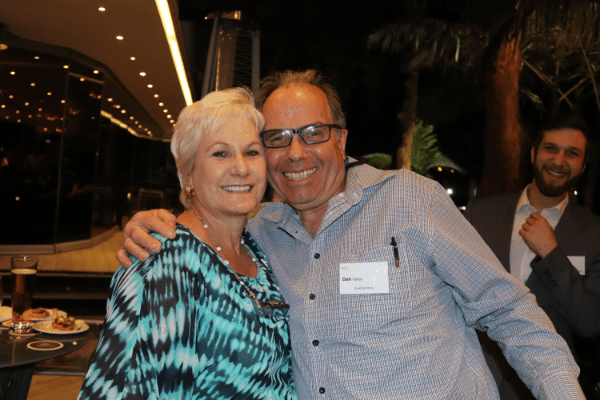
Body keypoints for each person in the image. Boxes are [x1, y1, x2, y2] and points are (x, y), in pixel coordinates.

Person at [119, 70, 585, 399]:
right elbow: (206, 224)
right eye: (277, 138)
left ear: (341, 140)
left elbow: (509, 310)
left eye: (313, 133)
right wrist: (154, 224)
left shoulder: (410, 199)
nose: (295, 153)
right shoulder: (260, 233)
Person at [78, 87, 296, 399]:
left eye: (252, 152)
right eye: (220, 153)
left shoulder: (257, 247)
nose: (241, 168)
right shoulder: (163, 260)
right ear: (188, 174)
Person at [464, 114, 600, 399]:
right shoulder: (481, 214)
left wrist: (551, 253)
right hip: (474, 379)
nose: (559, 161)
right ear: (533, 154)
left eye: (572, 153)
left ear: (583, 166)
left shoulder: (594, 233)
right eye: (551, 148)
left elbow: (589, 322)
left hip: (545, 386)